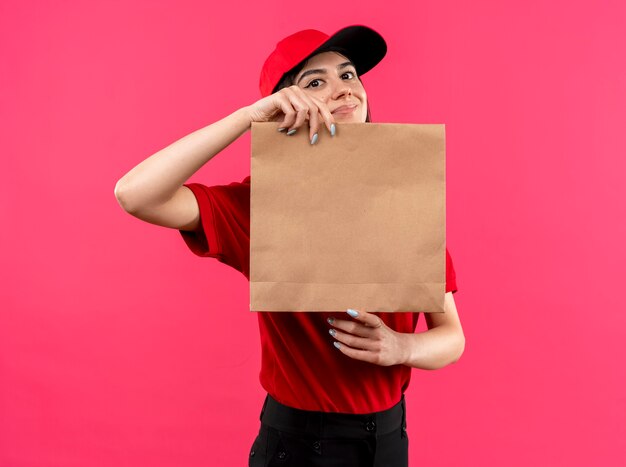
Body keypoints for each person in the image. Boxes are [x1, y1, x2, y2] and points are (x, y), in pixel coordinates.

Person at [114, 25, 465, 467]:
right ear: (285, 107)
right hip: (299, 443)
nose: (343, 89)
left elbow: (452, 337)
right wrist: (248, 117)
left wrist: (402, 348)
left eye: (349, 74)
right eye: (314, 82)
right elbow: (135, 193)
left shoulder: (407, 204)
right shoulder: (259, 206)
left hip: (389, 440)